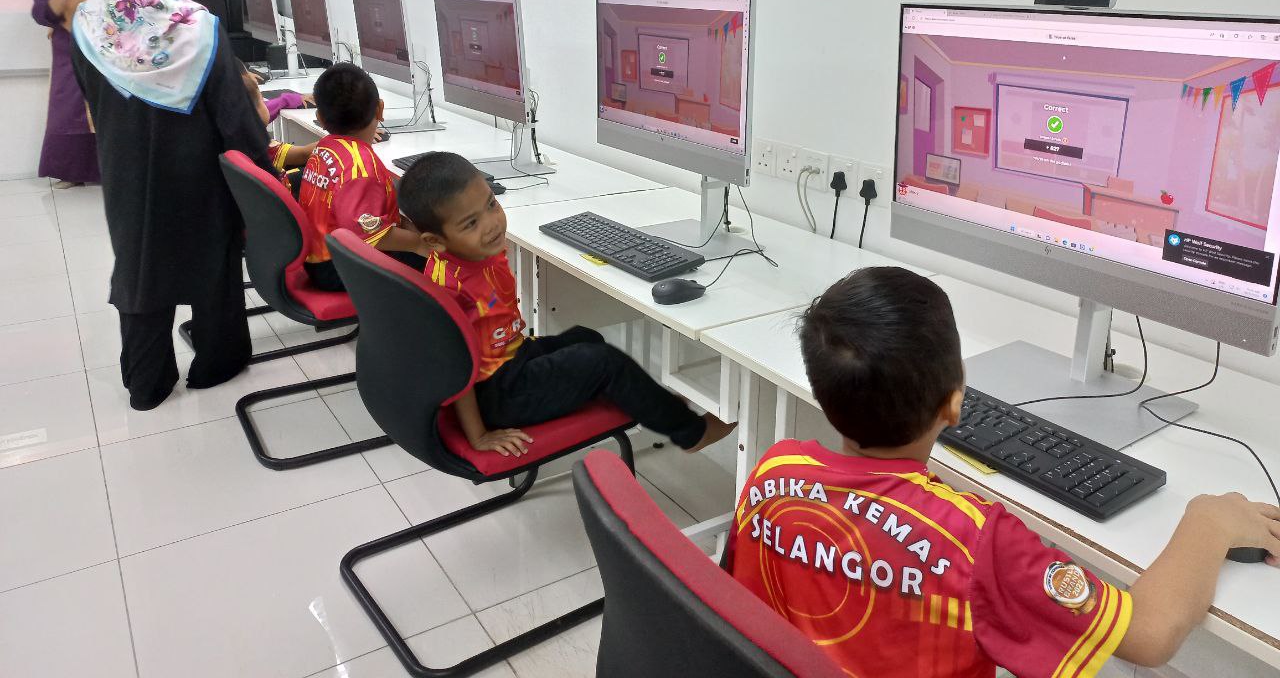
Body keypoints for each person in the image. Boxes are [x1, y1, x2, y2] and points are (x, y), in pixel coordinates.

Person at [725, 267, 1280, 678]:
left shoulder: (775, 471)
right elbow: (1150, 636)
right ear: (955, 404)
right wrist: (1208, 522)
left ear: (825, 397)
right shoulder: (975, 542)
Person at [397, 151, 737, 457]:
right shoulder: (451, 290)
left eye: (490, 204)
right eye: (471, 223)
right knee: (603, 362)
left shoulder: (471, 252)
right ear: (435, 241)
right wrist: (479, 435)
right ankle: (692, 433)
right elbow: (455, 370)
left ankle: (649, 402)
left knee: (587, 338)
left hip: (512, 357)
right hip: (498, 395)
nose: (492, 224)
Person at [70, 0, 273, 410]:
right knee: (213, 265)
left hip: (125, 171)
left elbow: (93, 99)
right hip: (200, 176)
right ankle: (216, 364)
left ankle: (148, 383)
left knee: (140, 267)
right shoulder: (198, 29)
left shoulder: (88, 25)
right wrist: (264, 175)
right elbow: (234, 119)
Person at [296, 63, 427, 291]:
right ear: (380, 109)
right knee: (438, 260)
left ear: (320, 118)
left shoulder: (325, 147)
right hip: (337, 269)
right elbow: (368, 234)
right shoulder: (361, 168)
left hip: (318, 257)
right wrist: (419, 244)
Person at [31, 0, 103, 188]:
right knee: (70, 112)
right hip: (70, 59)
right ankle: (71, 173)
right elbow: (42, 14)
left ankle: (109, 170)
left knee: (106, 112)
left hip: (104, 59)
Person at [236, 60, 314, 186]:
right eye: (262, 100)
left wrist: (287, 99)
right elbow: (304, 153)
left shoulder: (234, 136)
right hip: (281, 193)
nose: (266, 104)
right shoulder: (261, 147)